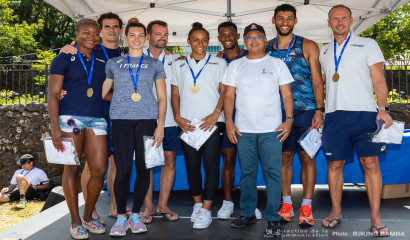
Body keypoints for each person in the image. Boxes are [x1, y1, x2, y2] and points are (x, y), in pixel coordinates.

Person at [319, 5, 393, 237]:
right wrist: (319, 110)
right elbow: (321, 84)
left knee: (371, 165)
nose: (339, 22)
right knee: (334, 165)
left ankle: (375, 218)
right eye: (335, 19)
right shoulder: (323, 50)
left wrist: (383, 108)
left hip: (364, 114)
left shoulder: (368, 44)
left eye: (343, 18)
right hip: (333, 116)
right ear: (329, 22)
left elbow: (379, 79)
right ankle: (335, 211)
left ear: (351, 21)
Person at [223, 23, 294, 238]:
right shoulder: (235, 65)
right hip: (243, 130)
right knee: (247, 174)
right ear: (244, 41)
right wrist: (229, 122)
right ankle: (247, 213)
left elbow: (287, 95)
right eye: (249, 37)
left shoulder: (277, 64)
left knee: (273, 174)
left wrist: (289, 120)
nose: (253, 40)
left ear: (265, 41)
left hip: (272, 130)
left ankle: (273, 217)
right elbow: (228, 96)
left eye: (258, 37)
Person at [59, 12, 126, 222]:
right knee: (89, 165)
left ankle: (115, 207)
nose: (111, 30)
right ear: (101, 30)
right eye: (107, 26)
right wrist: (64, 51)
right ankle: (91, 211)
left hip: (116, 112)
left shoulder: (125, 53)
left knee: (113, 163)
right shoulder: (90, 50)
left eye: (115, 26)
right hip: (94, 111)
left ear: (120, 30)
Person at [103, 18, 167, 236]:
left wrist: (160, 126)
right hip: (120, 120)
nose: (137, 39)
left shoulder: (155, 64)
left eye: (141, 35)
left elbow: (162, 97)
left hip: (148, 120)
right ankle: (121, 216)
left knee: (143, 168)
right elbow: (102, 92)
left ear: (146, 38)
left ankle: (137, 215)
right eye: (132, 35)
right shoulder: (114, 63)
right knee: (123, 169)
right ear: (125, 37)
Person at [265, 3, 324, 226]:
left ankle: (307, 207)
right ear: (274, 20)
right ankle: (287, 203)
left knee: (307, 157)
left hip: (307, 110)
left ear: (295, 21)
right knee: (284, 157)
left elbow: (317, 79)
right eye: (281, 18)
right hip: (276, 112)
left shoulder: (307, 45)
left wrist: (319, 109)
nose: (285, 22)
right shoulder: (266, 47)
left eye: (289, 18)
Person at [48, 18, 108, 239]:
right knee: (71, 169)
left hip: (97, 119)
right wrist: (55, 128)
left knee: (99, 169)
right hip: (69, 119)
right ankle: (75, 221)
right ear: (76, 32)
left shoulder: (102, 56)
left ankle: (88, 216)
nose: (91, 37)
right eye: (86, 33)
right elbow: (53, 95)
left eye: (95, 33)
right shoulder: (63, 57)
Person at [170, 22, 227, 229]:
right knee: (192, 167)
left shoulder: (219, 63)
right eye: (196, 40)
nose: (200, 44)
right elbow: (174, 93)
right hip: (187, 124)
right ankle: (197, 205)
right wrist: (177, 116)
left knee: (211, 166)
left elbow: (225, 92)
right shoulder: (178, 64)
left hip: (211, 124)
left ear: (208, 42)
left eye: (204, 40)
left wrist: (215, 114)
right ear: (188, 42)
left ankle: (206, 209)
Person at [214, 21, 262, 221]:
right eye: (223, 35)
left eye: (231, 34)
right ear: (219, 38)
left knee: (249, 161)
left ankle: (249, 202)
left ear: (237, 36)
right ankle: (227, 201)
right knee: (229, 159)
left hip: (249, 116)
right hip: (226, 117)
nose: (227, 38)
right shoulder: (216, 60)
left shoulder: (249, 55)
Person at [139, 20, 180, 223]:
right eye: (158, 34)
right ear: (148, 36)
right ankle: (148, 207)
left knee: (169, 161)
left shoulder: (175, 60)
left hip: (170, 121)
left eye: (165, 34)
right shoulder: (137, 58)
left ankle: (163, 205)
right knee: (148, 164)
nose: (162, 38)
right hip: (145, 119)